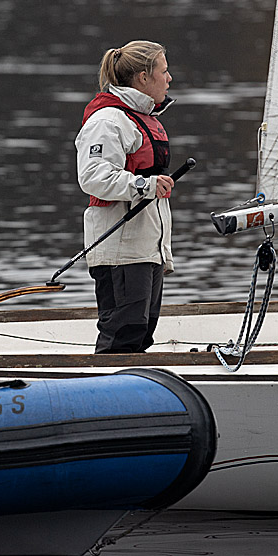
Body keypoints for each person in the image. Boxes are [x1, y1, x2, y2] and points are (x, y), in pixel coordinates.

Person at [75, 40, 176, 354]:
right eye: (164, 70)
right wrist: (146, 186)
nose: (169, 78)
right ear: (144, 78)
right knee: (122, 336)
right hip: (121, 252)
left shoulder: (140, 118)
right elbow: (92, 176)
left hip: (146, 250)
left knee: (141, 334)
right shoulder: (108, 122)